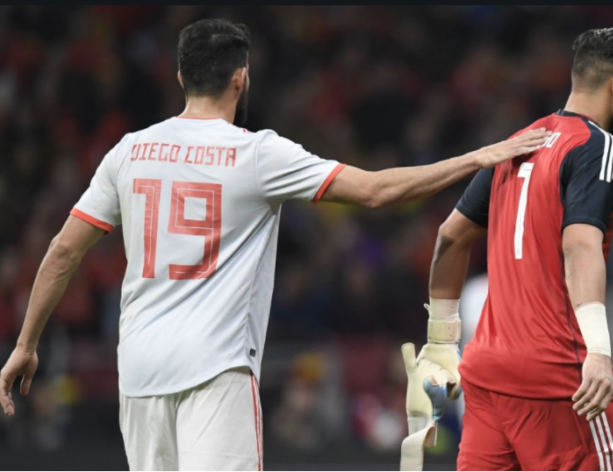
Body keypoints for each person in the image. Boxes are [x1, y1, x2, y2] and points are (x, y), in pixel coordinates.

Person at [0, 19, 549, 471]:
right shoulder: (258, 154)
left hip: (139, 372)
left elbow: (63, 252)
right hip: (215, 371)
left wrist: (26, 344)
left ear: (180, 76)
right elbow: (377, 191)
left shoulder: (129, 151)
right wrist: (478, 157)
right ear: (241, 78)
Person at [412, 27, 613, 470]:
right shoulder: (597, 147)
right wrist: (599, 351)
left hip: (487, 377)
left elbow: (450, 235)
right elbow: (580, 246)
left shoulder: (520, 141)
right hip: (559, 378)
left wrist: (442, 343)